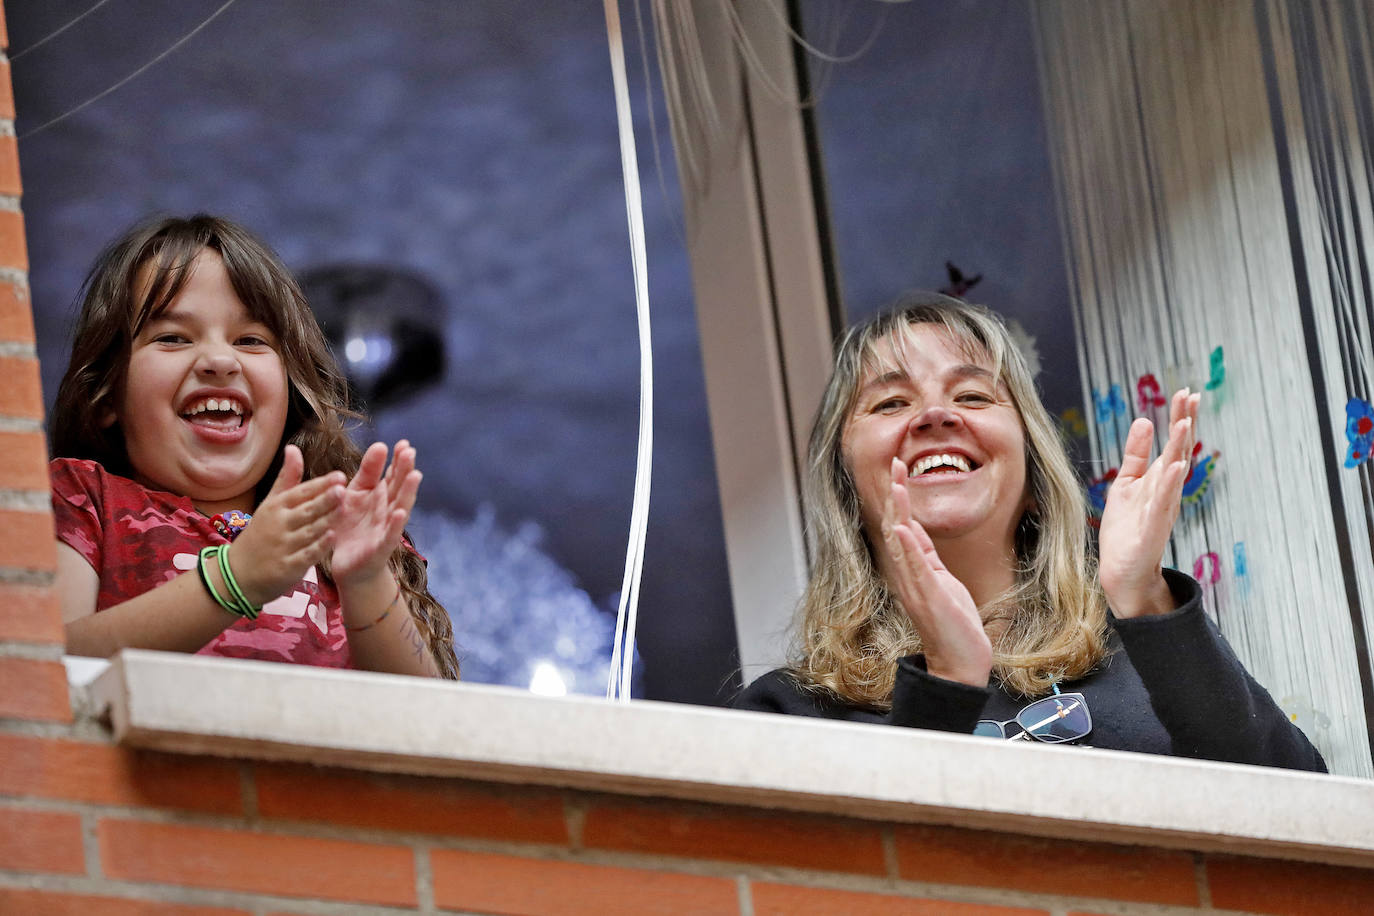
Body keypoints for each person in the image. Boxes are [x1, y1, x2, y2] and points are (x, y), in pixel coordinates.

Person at [735, 293, 1324, 771]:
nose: (936, 416)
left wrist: (1143, 597)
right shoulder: (791, 716)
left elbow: (1304, 825)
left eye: (972, 394)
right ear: (846, 484)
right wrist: (946, 681)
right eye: (890, 403)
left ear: (1034, 469)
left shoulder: (1149, 657)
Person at [49, 214, 459, 679]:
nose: (220, 360)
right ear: (107, 395)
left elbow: (425, 718)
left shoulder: (333, 531)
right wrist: (235, 578)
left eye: (250, 339)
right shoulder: (82, 499)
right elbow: (44, 668)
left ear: (290, 391)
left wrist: (366, 579)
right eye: (172, 337)